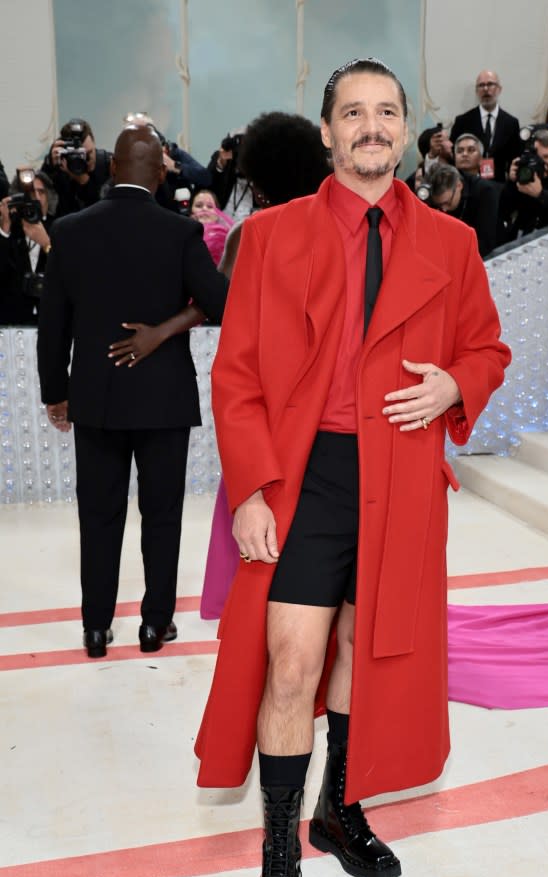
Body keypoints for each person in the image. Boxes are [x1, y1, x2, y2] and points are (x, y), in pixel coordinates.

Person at [194, 57, 510, 877]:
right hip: (304, 481)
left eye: (386, 112)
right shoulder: (272, 237)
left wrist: (455, 383)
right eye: (352, 113)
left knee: (358, 657)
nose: (370, 127)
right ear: (328, 131)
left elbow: (488, 351)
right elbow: (237, 376)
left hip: (400, 480)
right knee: (290, 665)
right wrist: (252, 489)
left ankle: (340, 810)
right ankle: (278, 859)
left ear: (404, 130)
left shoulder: (449, 244)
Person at [36, 124, 227, 658]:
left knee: (98, 514)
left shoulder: (70, 230)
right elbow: (220, 303)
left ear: (113, 170)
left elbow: (54, 323)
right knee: (162, 513)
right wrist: (166, 330)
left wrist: (56, 391)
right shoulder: (181, 233)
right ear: (159, 172)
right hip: (164, 400)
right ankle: (154, 625)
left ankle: (95, 629)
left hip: (95, 398)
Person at [200, 111, 331, 618]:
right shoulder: (336, 232)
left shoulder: (251, 235)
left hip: (268, 405)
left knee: (261, 535)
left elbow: (224, 310)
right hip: (322, 407)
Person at [0, 170, 56, 325]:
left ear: (48, 197)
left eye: (41, 192)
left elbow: (70, 273)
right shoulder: (10, 231)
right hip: (11, 321)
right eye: (31, 193)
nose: (36, 198)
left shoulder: (61, 228)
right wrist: (4, 229)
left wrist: (46, 243)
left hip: (50, 320)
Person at [450, 70, 521, 182]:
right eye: (481, 85)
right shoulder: (462, 121)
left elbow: (515, 158)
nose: (486, 89)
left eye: (490, 84)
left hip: (499, 186)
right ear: (476, 91)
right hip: (468, 184)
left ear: (499, 89)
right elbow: (453, 154)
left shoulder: (511, 123)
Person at [423, 163, 502, 257]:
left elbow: (485, 244)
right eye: (439, 205)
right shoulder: (432, 196)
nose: (444, 209)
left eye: (447, 203)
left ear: (459, 185)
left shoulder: (484, 192)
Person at [41, 118, 113, 217]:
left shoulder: (108, 165)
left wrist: (84, 181)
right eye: (79, 154)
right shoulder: (59, 164)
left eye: (89, 152)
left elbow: (105, 211)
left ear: (94, 142)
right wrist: (49, 168)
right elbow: (44, 204)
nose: (88, 159)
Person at [189, 189, 233, 266]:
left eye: (209, 206)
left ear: (218, 212)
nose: (204, 209)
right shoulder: (182, 233)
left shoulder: (230, 236)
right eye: (199, 206)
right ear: (191, 211)